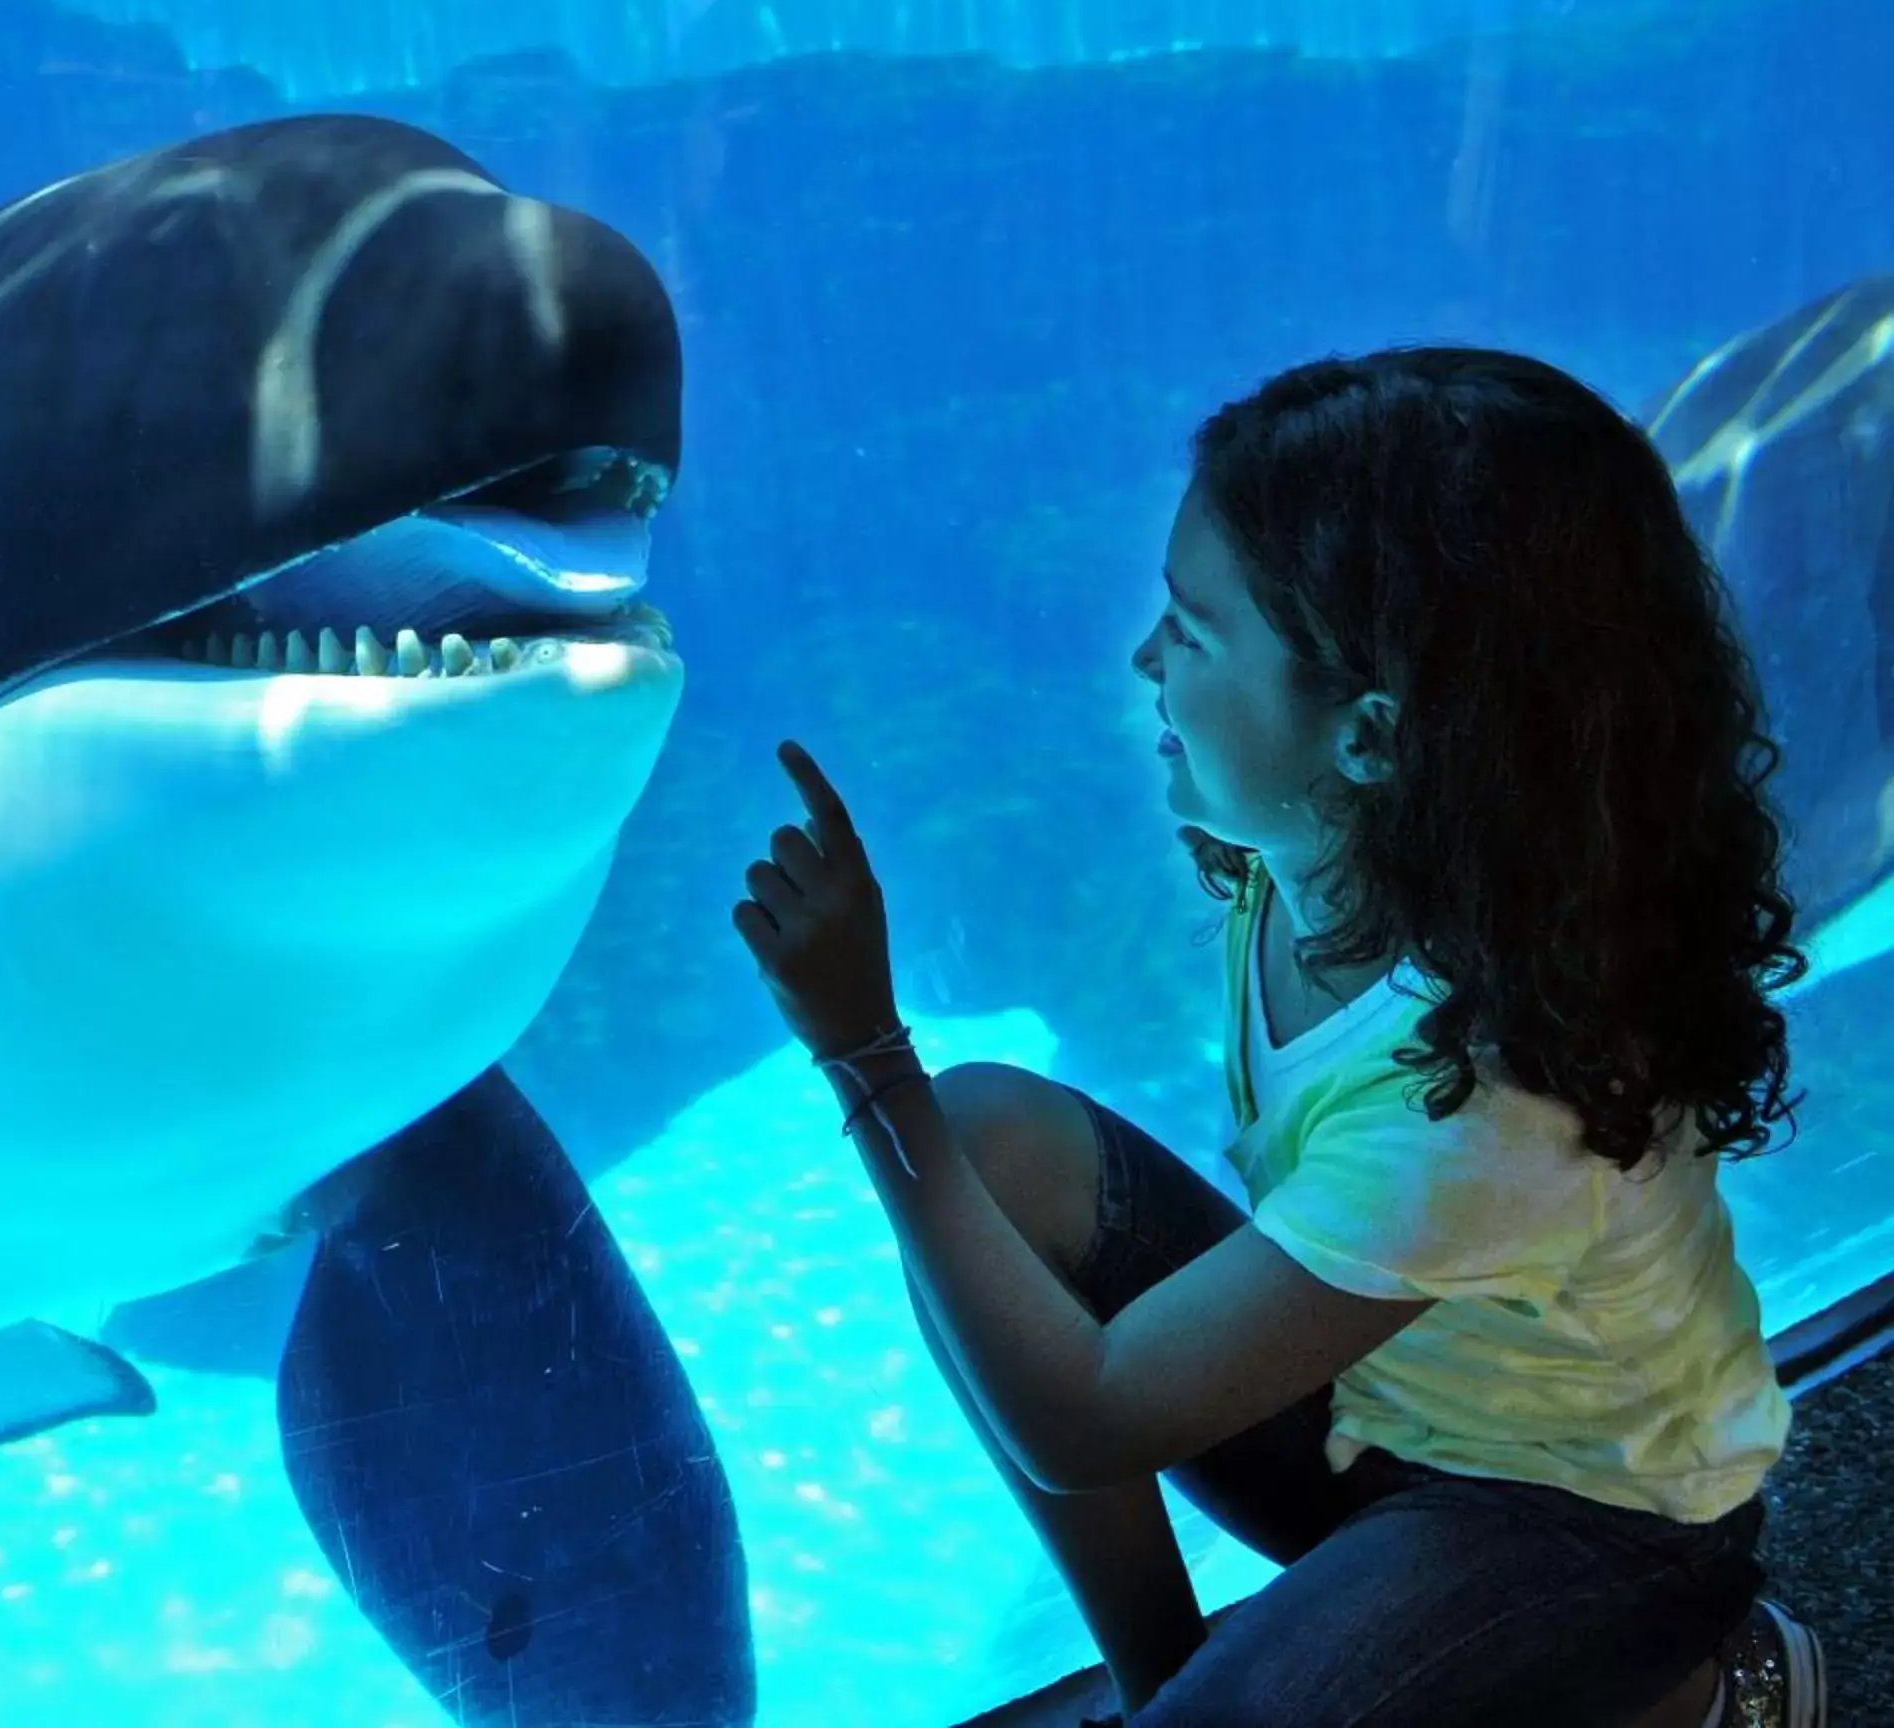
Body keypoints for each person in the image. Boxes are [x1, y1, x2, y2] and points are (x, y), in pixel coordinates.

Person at [734, 347, 1830, 1727]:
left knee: (945, 1155)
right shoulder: (1351, 858)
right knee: (989, 1146)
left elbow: (1091, 1418)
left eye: (1193, 633)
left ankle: (1701, 1691)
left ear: (1370, 734)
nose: (1145, 658)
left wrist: (865, 1055)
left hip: (1595, 1527)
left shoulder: (1494, 1096)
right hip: (1386, 1411)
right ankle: (1164, 1686)